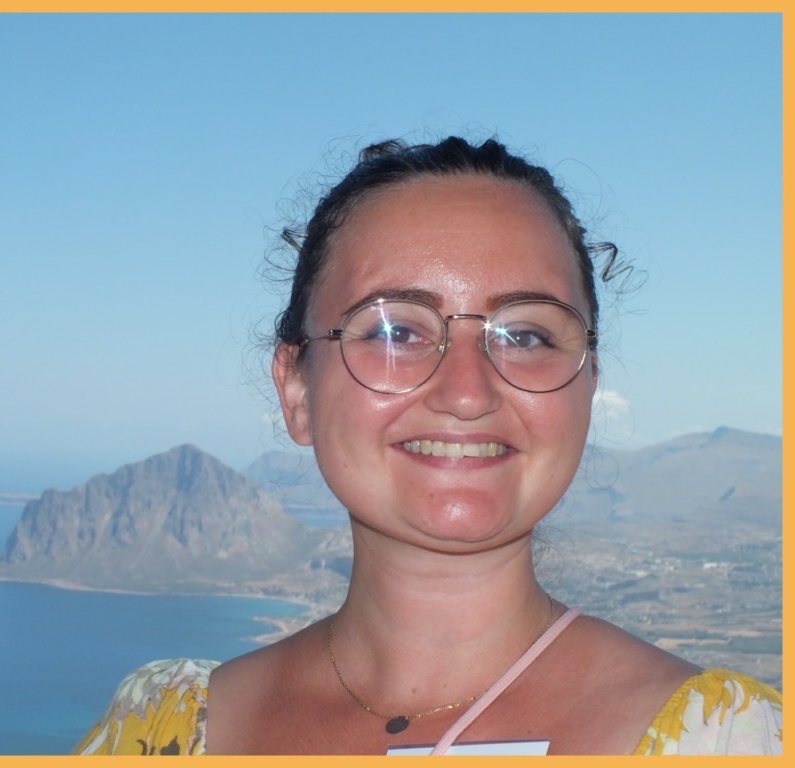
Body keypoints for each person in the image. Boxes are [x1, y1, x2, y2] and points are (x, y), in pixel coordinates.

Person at [73, 136, 782, 755]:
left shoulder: (728, 741)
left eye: (526, 335)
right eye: (396, 331)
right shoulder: (160, 734)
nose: (467, 392)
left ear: (585, 388)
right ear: (296, 390)